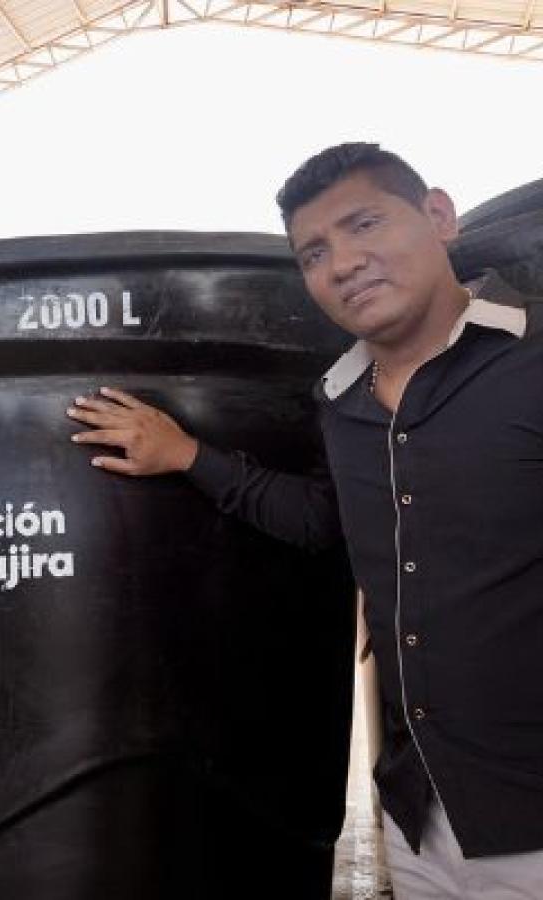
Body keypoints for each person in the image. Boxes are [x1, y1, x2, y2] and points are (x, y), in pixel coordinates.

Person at [67, 143, 543, 899]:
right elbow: (325, 521)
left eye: (365, 224)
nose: (344, 262)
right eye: (315, 252)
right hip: (420, 818)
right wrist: (186, 453)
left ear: (440, 216)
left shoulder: (532, 360)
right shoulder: (343, 401)